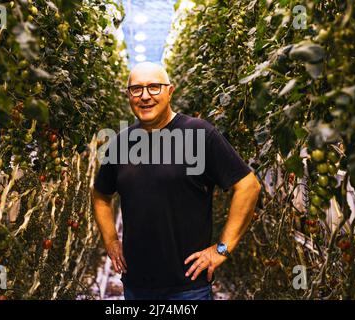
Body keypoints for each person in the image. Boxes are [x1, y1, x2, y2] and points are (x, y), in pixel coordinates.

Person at [92, 62, 261, 300]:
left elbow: (248, 185)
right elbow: (100, 195)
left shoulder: (199, 134)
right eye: (137, 89)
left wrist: (222, 249)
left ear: (170, 91)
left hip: (188, 288)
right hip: (136, 286)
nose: (145, 96)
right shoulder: (120, 143)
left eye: (154, 87)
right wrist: (110, 240)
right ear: (129, 95)